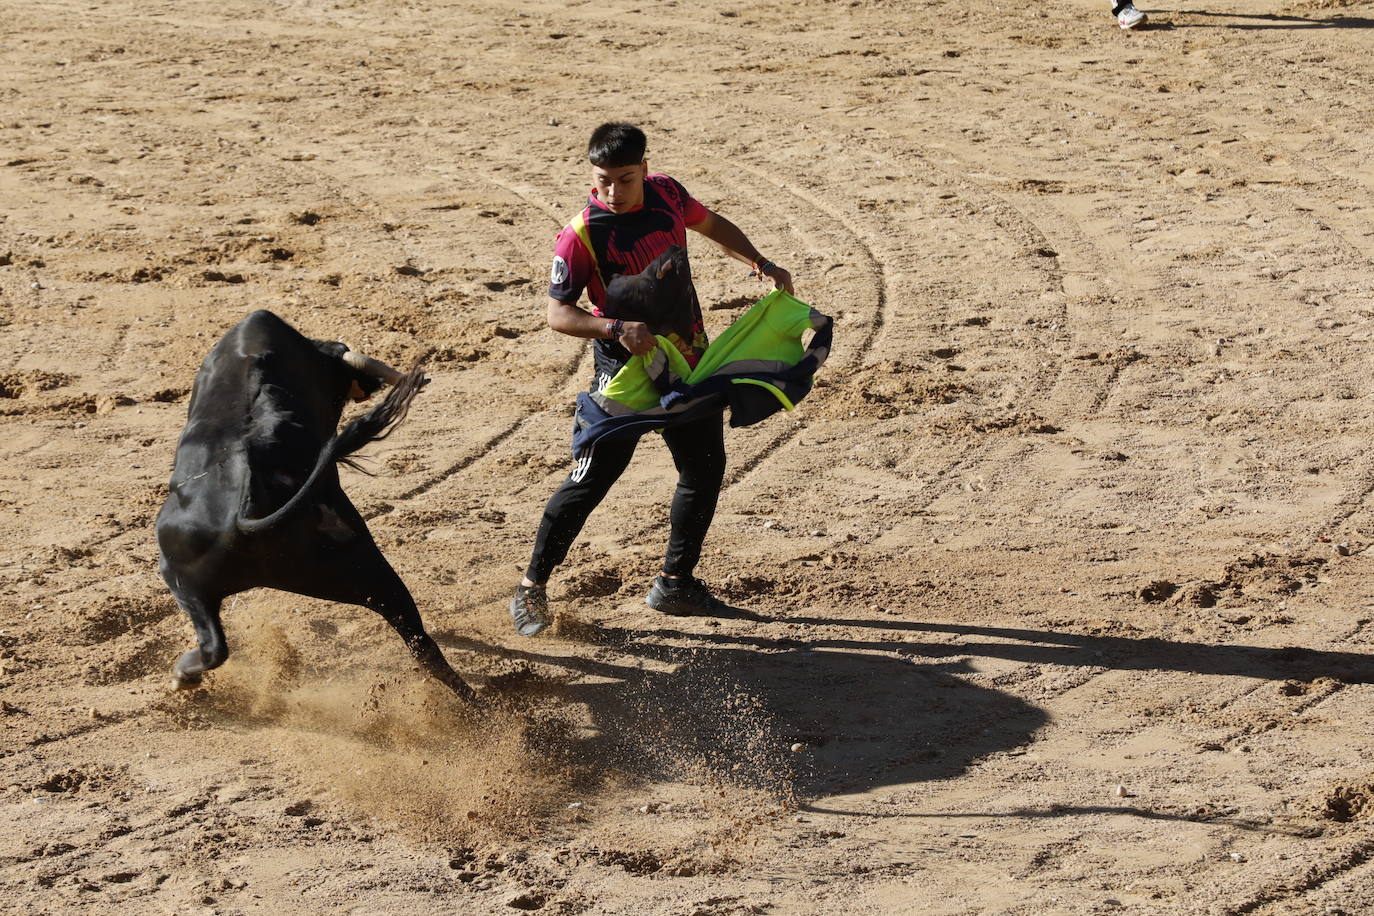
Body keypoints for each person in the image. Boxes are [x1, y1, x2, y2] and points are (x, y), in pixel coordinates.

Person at [509, 122, 793, 637]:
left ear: (644, 168)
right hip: (624, 375)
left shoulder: (667, 193)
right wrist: (614, 327)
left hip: (687, 363)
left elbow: (712, 224)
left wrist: (760, 261)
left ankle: (675, 582)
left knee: (704, 468)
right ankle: (533, 584)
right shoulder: (581, 234)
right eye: (601, 181)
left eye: (623, 179)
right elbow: (558, 313)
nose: (612, 192)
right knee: (593, 478)